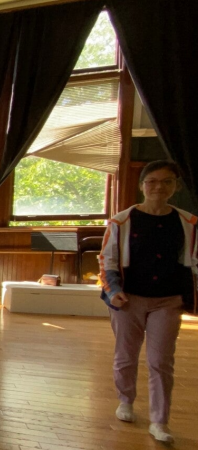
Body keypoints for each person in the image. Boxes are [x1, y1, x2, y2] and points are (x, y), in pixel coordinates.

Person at [99, 160, 195, 444]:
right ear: (142, 185)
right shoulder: (121, 221)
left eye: (167, 181)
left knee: (161, 360)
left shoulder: (188, 223)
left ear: (176, 186)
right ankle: (126, 400)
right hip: (128, 300)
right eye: (152, 181)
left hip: (168, 300)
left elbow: (193, 262)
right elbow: (107, 260)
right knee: (126, 355)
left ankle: (159, 421)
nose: (159, 187)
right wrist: (114, 290)